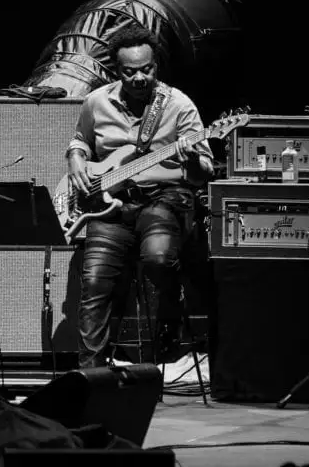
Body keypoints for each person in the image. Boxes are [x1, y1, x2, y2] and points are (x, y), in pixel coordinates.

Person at [65, 24, 214, 368]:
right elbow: (81, 140)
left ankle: (165, 344)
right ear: (116, 70)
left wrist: (191, 158)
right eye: (129, 72)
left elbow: (203, 173)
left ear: (155, 65)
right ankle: (91, 375)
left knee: (158, 259)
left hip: (163, 198)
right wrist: (75, 158)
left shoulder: (178, 105)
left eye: (146, 69)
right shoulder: (96, 101)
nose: (139, 78)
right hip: (109, 206)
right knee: (94, 281)